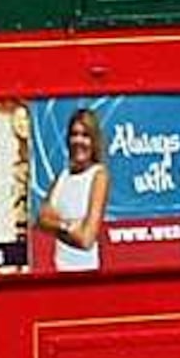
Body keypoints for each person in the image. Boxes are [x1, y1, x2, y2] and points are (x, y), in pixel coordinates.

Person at [34, 106, 110, 271]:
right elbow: (41, 219)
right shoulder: (62, 177)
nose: (78, 141)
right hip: (58, 270)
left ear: (94, 140)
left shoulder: (98, 175)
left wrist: (55, 223)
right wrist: (68, 226)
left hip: (86, 274)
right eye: (74, 134)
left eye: (85, 135)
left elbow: (86, 239)